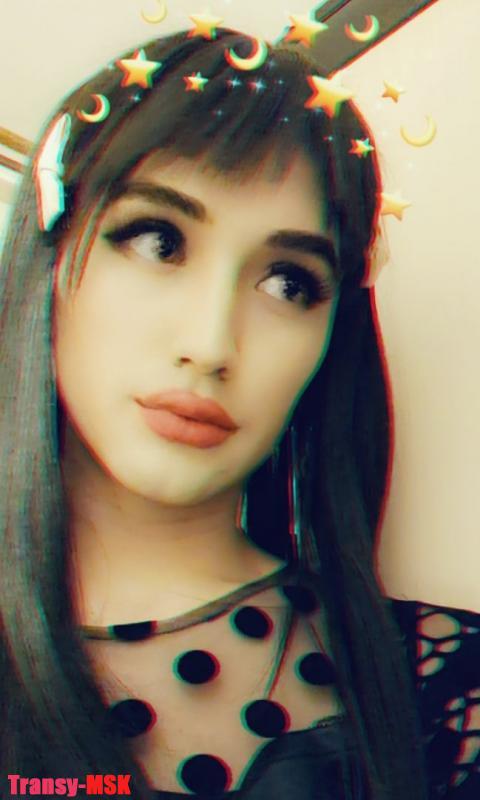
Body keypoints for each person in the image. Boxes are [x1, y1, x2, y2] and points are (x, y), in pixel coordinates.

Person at [0, 25, 478, 800]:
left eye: (288, 284)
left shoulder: (446, 689)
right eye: (158, 241)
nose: (210, 343)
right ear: (51, 259)